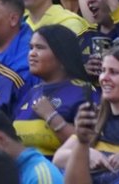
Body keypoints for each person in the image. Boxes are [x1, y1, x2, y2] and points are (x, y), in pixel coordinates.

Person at [12, 25, 96, 155]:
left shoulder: (84, 92)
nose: (32, 54)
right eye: (31, 48)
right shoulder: (32, 92)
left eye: (39, 48)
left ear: (62, 55)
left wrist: (51, 116)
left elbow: (92, 143)